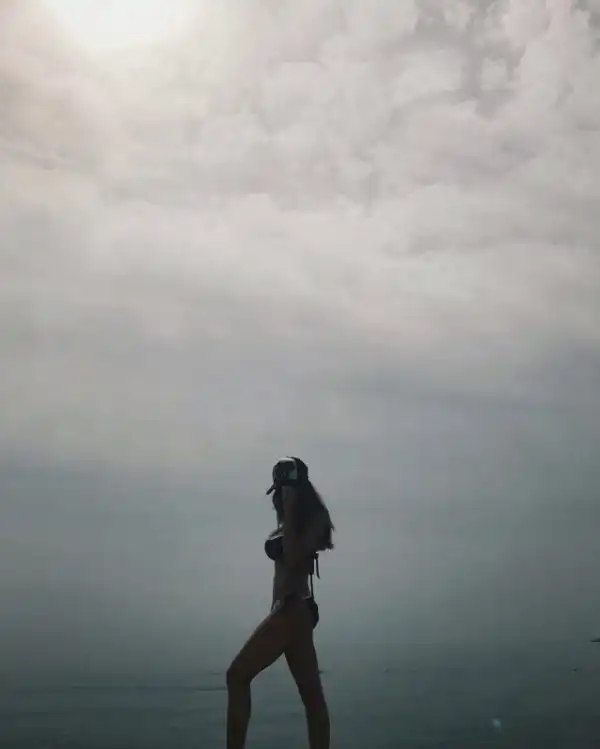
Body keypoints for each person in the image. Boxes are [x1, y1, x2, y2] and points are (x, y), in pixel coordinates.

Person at [226, 456, 334, 749]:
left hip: (292, 609)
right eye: (279, 491)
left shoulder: (313, 521)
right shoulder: (290, 523)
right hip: (290, 612)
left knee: (236, 676)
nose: (279, 496)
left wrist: (291, 508)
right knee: (311, 696)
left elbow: (296, 557)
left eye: (285, 489)